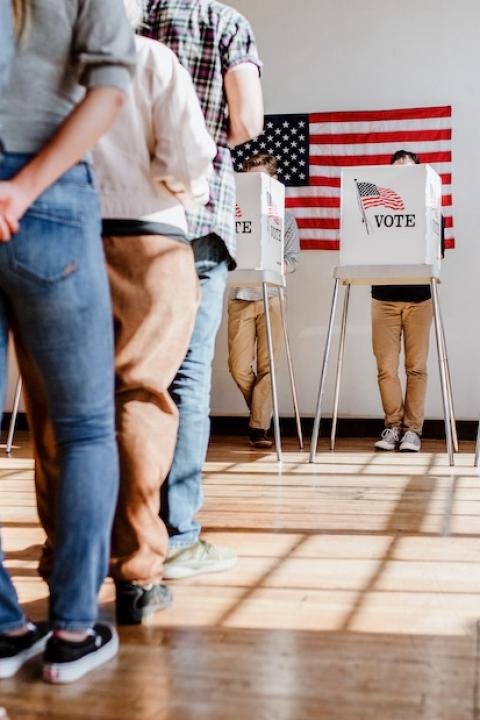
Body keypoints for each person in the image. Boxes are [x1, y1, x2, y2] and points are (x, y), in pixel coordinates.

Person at [14, 0, 217, 625]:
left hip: (49, 234)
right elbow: (188, 158)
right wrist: (175, 190)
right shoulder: (152, 57)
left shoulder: (34, 63)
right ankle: (136, 574)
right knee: (139, 398)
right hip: (149, 241)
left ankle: (63, 561)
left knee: (55, 409)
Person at [0, 0, 136, 683]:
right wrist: (19, 191)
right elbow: (109, 89)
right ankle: (73, 631)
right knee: (85, 429)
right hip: (47, 195)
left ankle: (3, 626)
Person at [144, 0, 264, 579]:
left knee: (133, 377)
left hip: (128, 219)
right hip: (198, 217)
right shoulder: (226, 22)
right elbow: (249, 122)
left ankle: (125, 529)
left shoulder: (130, 18)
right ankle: (178, 536)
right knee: (189, 376)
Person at [228, 152, 300, 448]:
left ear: (273, 181)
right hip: (240, 294)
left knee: (269, 364)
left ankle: (259, 428)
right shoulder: (234, 212)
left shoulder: (285, 218)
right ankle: (261, 413)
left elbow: (292, 260)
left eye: (259, 178)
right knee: (238, 366)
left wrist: (273, 264)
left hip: (272, 296)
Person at [373, 149, 440, 453]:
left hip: (419, 298)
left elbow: (436, 255)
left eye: (409, 170)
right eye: (398, 170)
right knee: (386, 367)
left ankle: (413, 430)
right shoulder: (375, 208)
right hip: (384, 297)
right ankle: (392, 426)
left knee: (416, 366)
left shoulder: (433, 211)